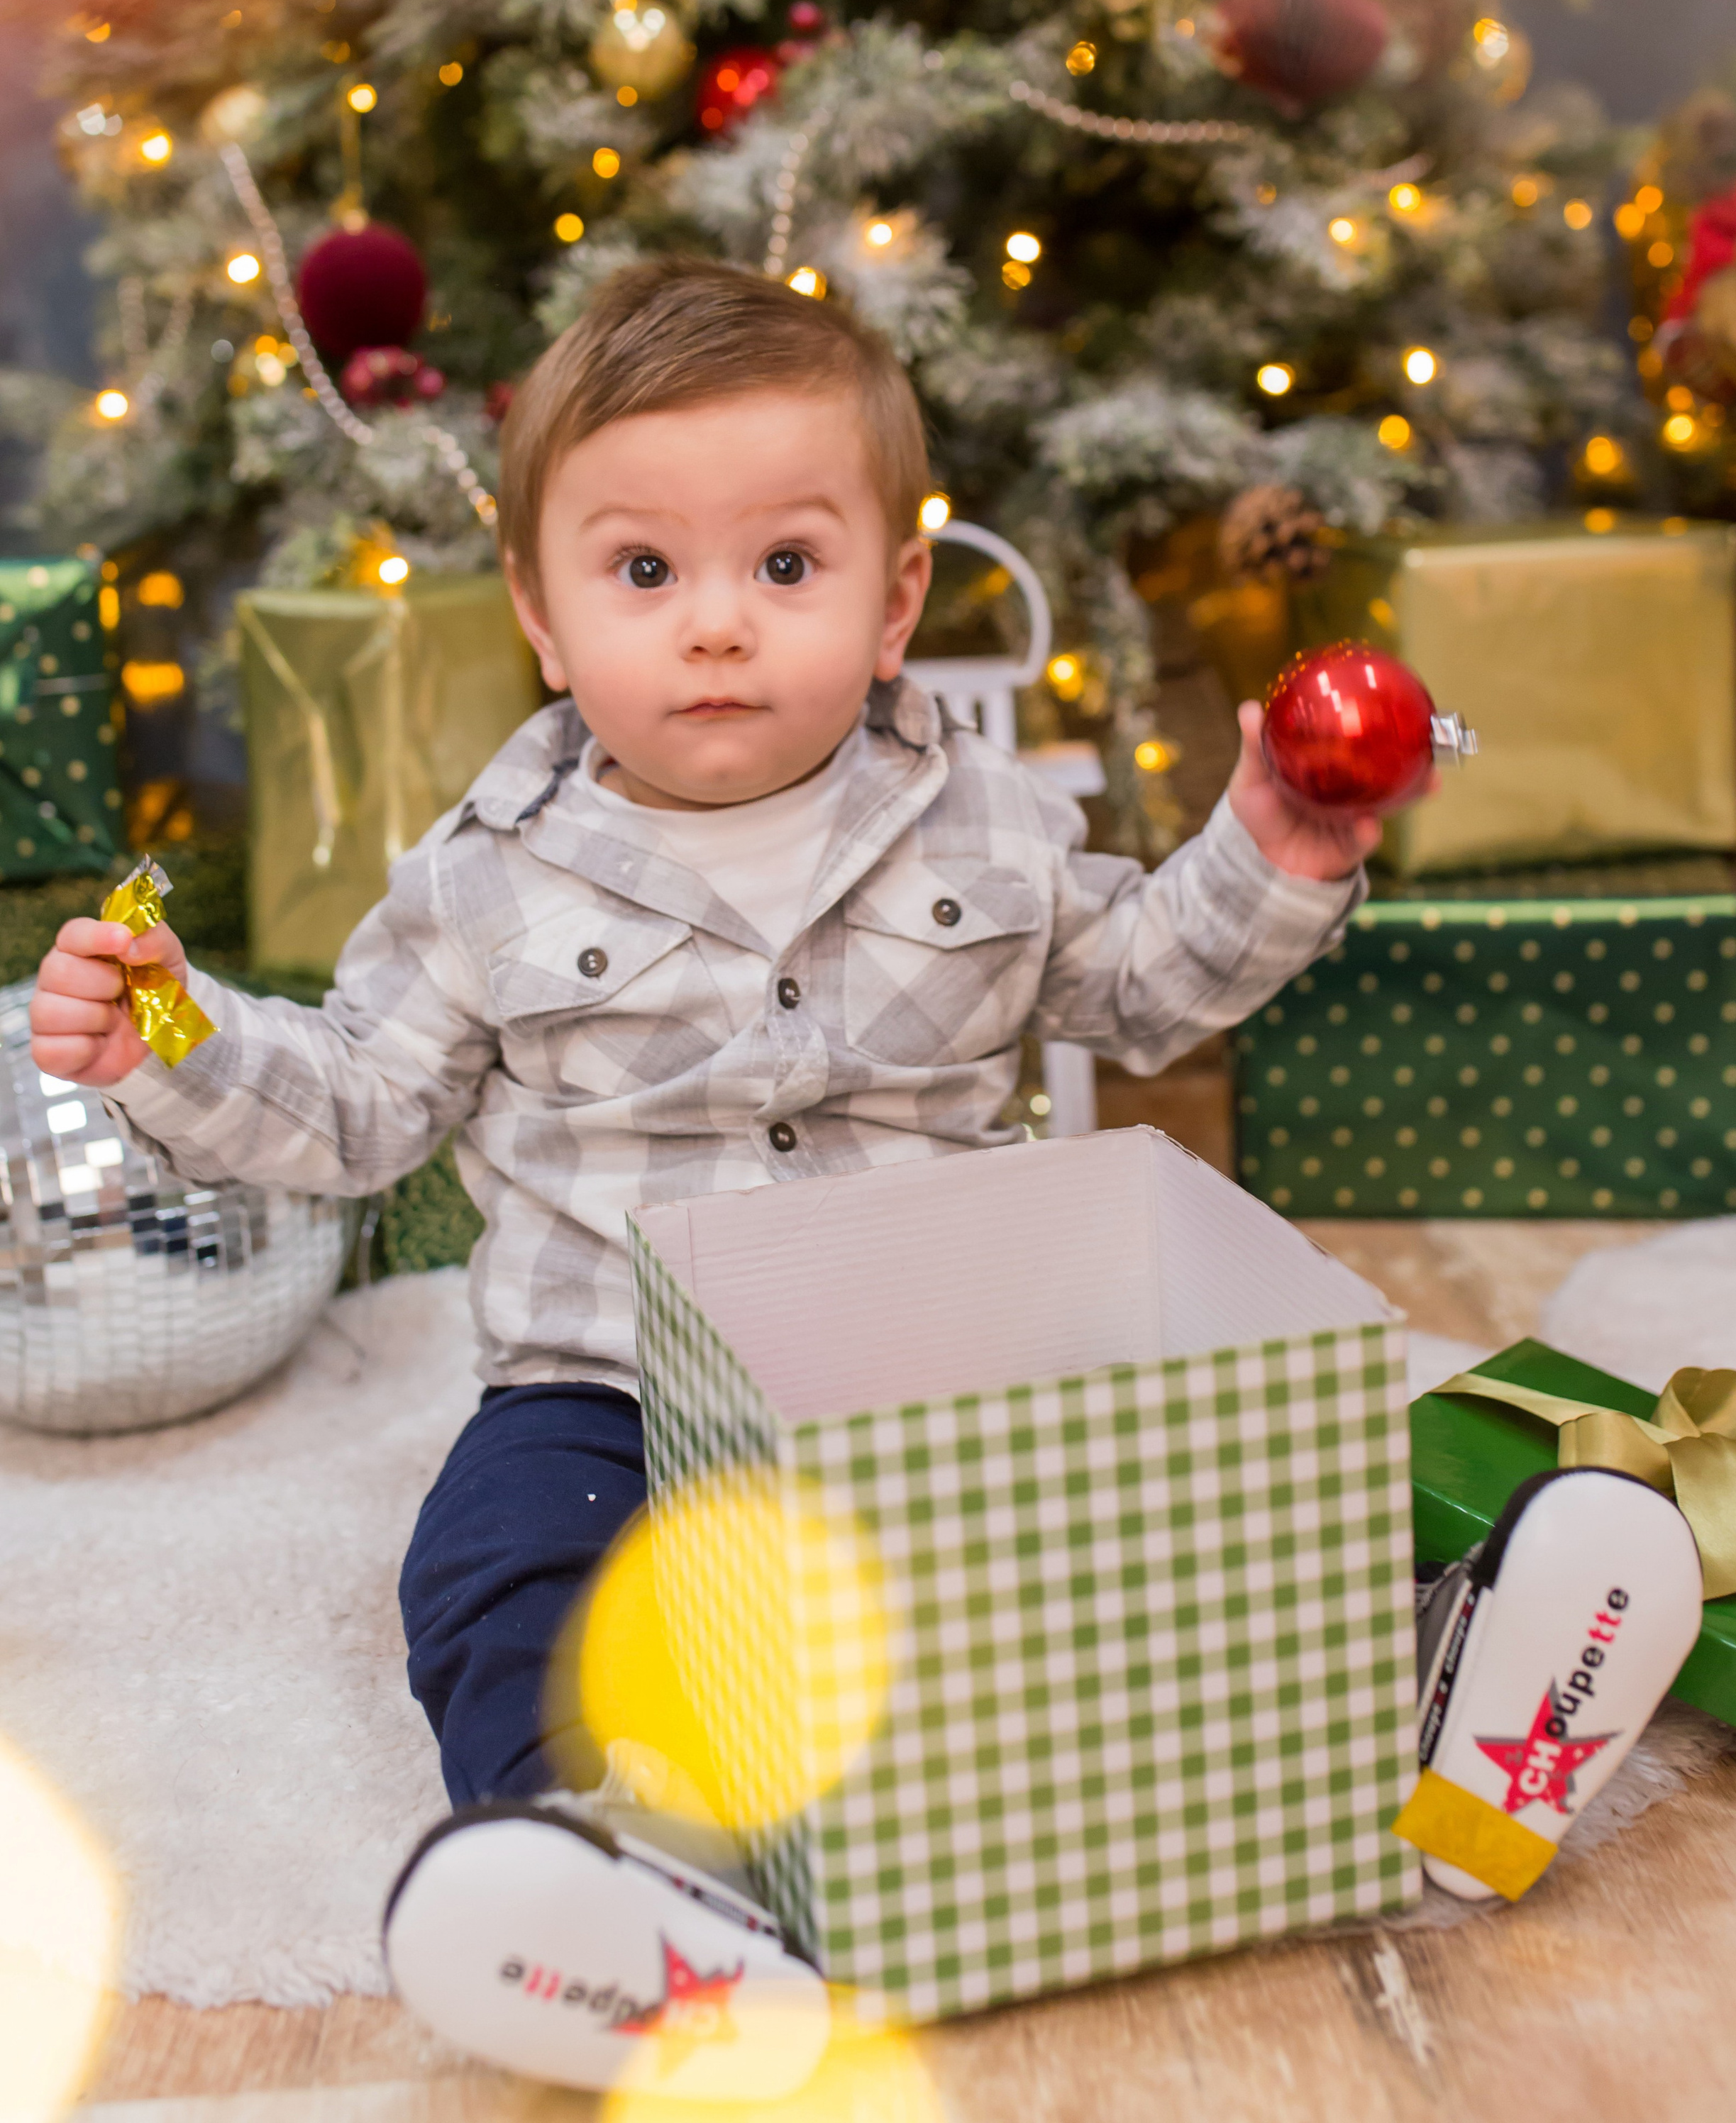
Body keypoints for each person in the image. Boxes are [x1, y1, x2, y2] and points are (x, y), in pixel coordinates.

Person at [28, 257, 1408, 2088]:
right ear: (539, 611)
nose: (716, 628)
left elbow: (1144, 992)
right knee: (493, 1564)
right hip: (614, 1382)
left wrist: (1280, 849)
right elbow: (357, 1109)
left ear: (897, 598)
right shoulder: (482, 881)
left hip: (942, 1362)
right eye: (643, 572)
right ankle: (590, 1867)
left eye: (785, 566)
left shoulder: (984, 820)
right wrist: (174, 1040)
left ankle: (1410, 1666)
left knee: (1198, 1482)